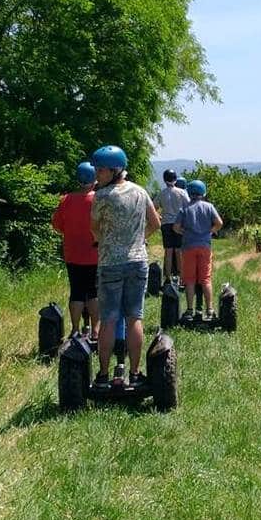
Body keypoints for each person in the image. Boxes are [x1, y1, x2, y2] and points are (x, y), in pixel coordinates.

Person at [89, 145, 161, 386]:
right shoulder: (141, 192)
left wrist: (104, 241)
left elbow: (94, 228)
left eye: (101, 170)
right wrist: (141, 240)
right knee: (134, 317)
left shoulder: (101, 196)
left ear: (114, 170)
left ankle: (102, 376)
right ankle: (134, 373)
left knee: (109, 319)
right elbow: (155, 223)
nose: (97, 174)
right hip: (138, 261)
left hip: (110, 262)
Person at [52, 161, 100, 337]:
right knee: (93, 291)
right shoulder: (98, 199)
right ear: (94, 178)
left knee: (77, 291)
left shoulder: (66, 200)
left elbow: (57, 225)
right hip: (95, 254)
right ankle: (95, 330)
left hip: (72, 254)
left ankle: (75, 329)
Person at [174, 180, 223, 320]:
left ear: (189, 193)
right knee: (205, 279)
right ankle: (209, 310)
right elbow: (219, 223)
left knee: (189, 279)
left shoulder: (184, 208)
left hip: (188, 246)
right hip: (204, 246)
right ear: (203, 192)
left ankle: (190, 310)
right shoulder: (209, 207)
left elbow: (176, 227)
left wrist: (185, 232)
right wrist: (210, 232)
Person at [154, 168, 190, 282]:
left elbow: (154, 207)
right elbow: (189, 207)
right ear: (175, 179)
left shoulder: (162, 193)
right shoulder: (181, 192)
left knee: (168, 251)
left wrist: (159, 217)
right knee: (178, 251)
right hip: (178, 224)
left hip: (166, 224)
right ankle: (180, 277)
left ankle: (168, 278)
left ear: (164, 180)